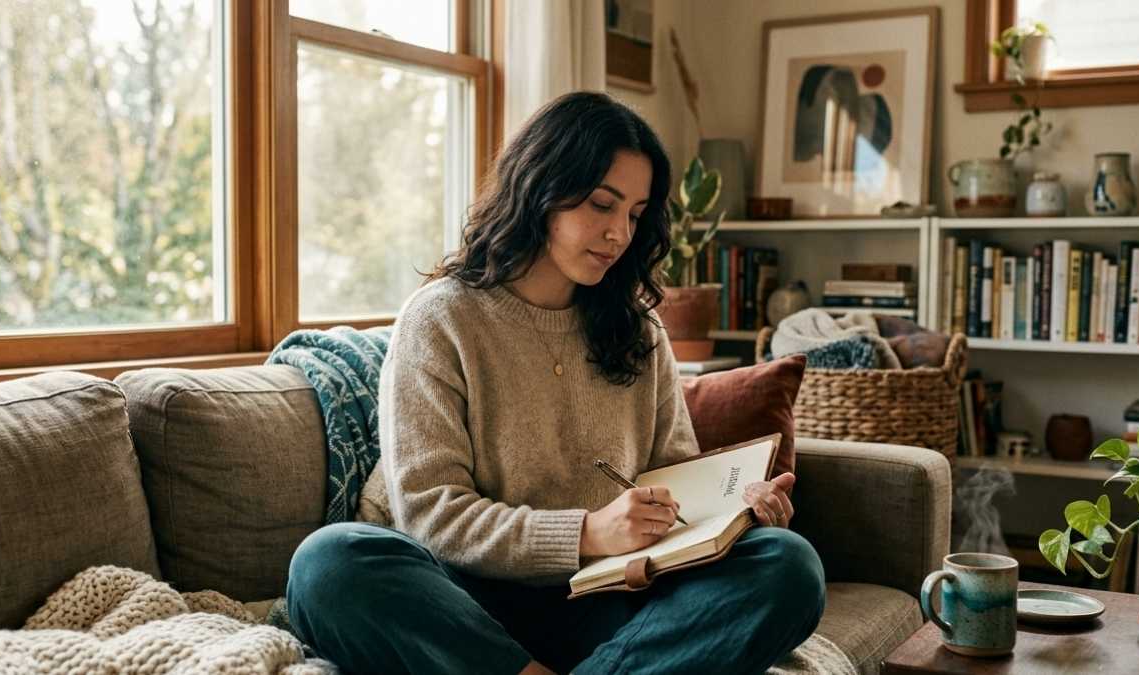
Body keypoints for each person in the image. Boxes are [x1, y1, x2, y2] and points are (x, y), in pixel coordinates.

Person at [285, 91, 825, 675]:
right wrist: (588, 532)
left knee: (787, 564)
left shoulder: (640, 331)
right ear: (540, 187)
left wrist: (733, 521)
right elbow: (431, 513)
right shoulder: (441, 318)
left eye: (635, 214)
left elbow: (674, 487)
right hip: (465, 607)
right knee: (329, 563)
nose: (619, 233)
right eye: (601, 204)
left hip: (607, 603)